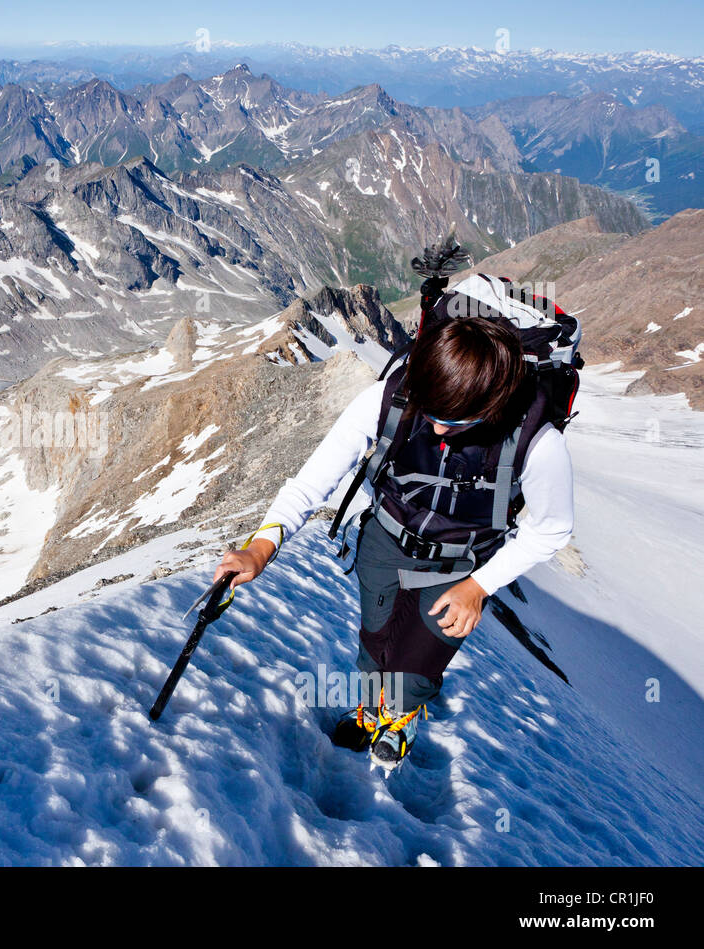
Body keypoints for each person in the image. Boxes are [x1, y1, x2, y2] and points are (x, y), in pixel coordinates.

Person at [213, 254, 576, 771]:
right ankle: (371, 707)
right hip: (384, 539)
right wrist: (259, 548)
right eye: (428, 411)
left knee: (417, 662)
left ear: (491, 404)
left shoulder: (537, 443)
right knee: (375, 641)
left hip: (462, 563)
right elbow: (314, 481)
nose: (434, 428)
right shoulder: (391, 398)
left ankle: (400, 714)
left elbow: (551, 529)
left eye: (452, 420)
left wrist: (480, 587)